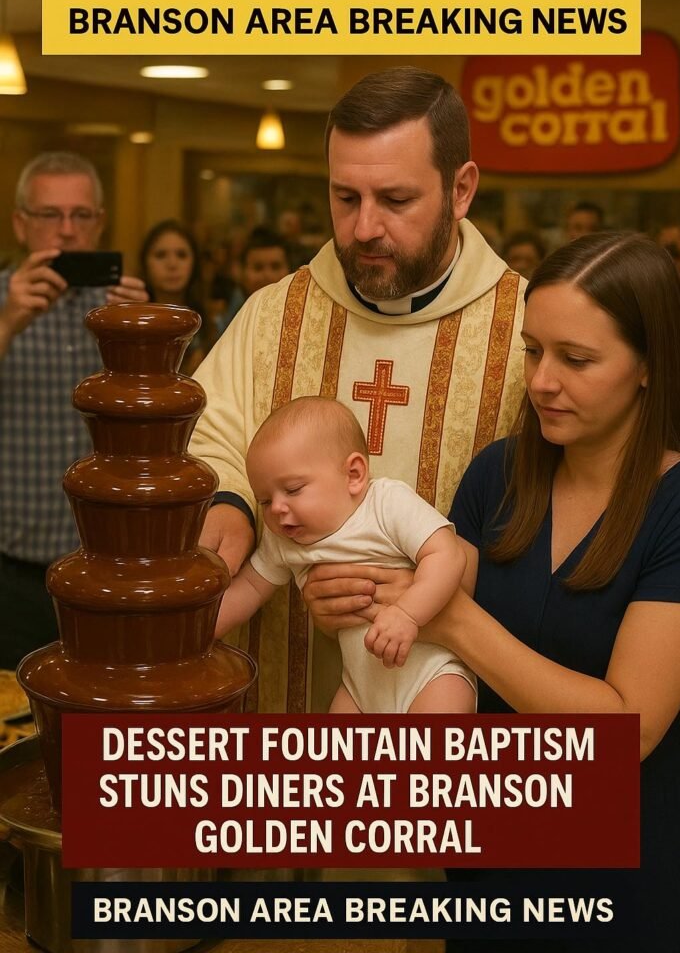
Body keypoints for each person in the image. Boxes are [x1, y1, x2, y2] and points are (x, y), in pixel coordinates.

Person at [308, 231, 680, 950]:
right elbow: (421, 627)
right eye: (534, 351)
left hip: (625, 885)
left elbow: (624, 730)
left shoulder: (672, 507)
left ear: (647, 366)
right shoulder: (498, 474)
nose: (542, 380)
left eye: (576, 360)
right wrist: (353, 603)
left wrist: (447, 619)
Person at [190, 65, 528, 713]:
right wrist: (232, 501)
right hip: (287, 689)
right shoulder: (273, 314)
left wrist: (407, 590)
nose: (364, 227)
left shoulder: (524, 332)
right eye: (345, 199)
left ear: (461, 190)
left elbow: (562, 525)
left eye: (395, 201)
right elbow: (210, 430)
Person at [215, 397, 476, 714]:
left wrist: (407, 614)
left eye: (294, 489)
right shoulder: (285, 539)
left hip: (431, 676)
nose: (278, 508)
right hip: (359, 691)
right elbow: (251, 588)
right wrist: (194, 632)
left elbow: (447, 555)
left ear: (354, 474)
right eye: (265, 501)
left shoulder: (385, 504)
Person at [0, 151, 148, 668]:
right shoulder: (2, 303)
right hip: (11, 573)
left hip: (108, 569)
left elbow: (163, 427)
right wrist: (7, 322)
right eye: (49, 215)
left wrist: (141, 338)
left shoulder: (120, 311)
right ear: (21, 223)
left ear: (100, 222)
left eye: (81, 216)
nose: (66, 231)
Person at [139, 219, 216, 375]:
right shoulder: (135, 324)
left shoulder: (211, 326)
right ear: (145, 264)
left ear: (194, 263)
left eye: (182, 255)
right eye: (161, 255)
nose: (172, 264)